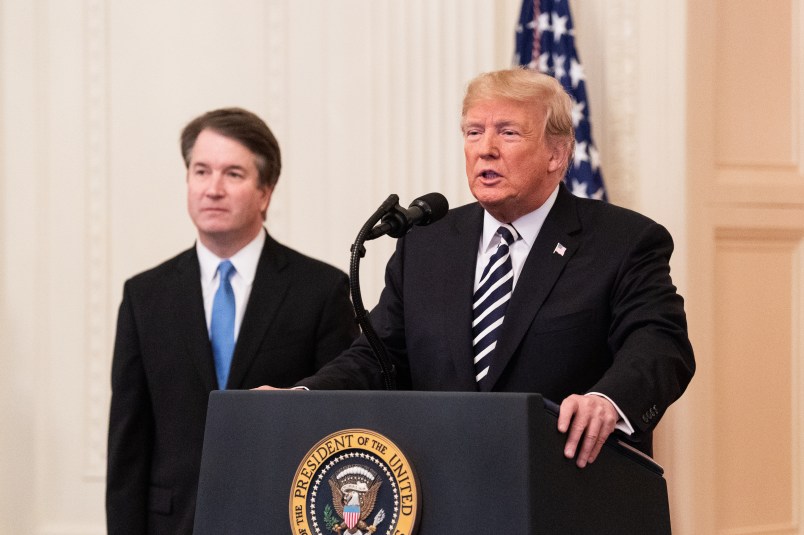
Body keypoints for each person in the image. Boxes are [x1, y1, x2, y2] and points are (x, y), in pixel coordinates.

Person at [288, 68, 695, 467]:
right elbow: (380, 356)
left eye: (508, 132)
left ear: (558, 153)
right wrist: (301, 396)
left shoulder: (623, 241)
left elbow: (660, 343)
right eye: (473, 132)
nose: (486, 148)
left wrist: (608, 401)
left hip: (566, 483)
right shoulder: (425, 243)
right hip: (445, 485)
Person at [106, 107, 359, 534]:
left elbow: (339, 425)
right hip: (173, 522)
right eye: (201, 171)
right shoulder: (144, 295)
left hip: (280, 517)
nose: (213, 189)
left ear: (265, 191)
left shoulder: (320, 290)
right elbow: (128, 443)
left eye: (233, 174)